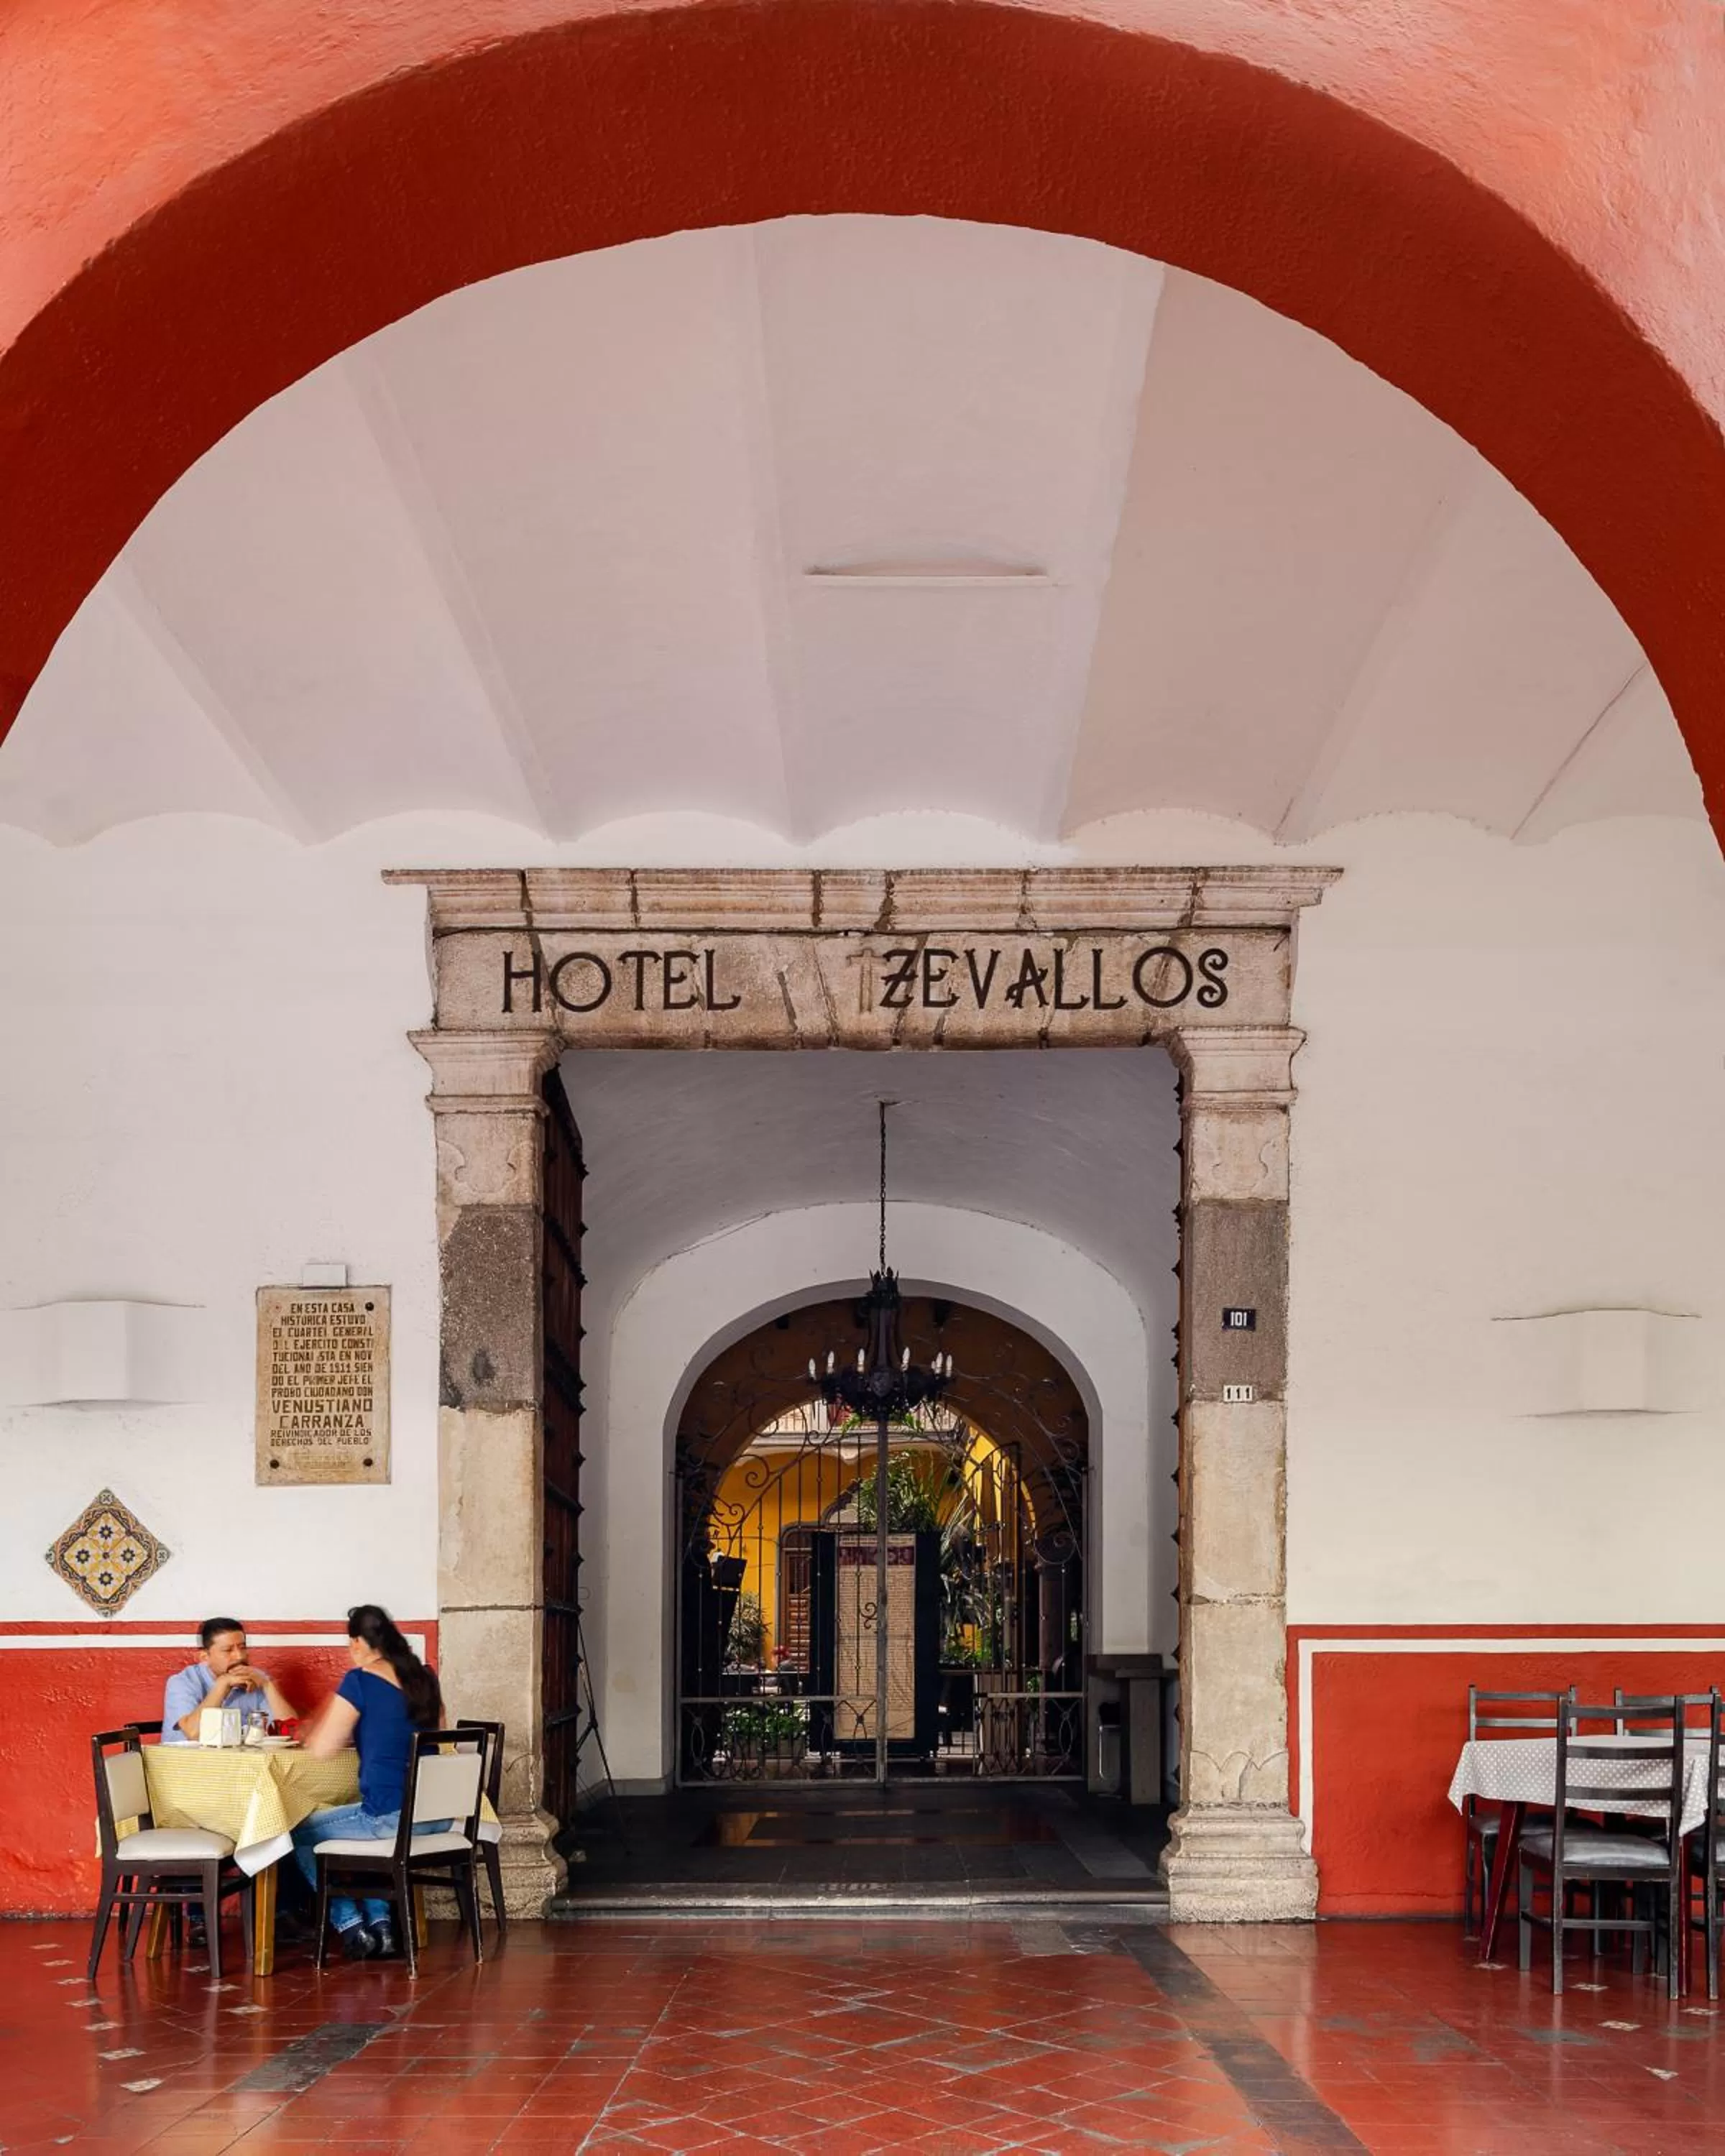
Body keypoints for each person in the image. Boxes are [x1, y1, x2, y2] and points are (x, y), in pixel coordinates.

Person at [290, 1605, 446, 1962]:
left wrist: (317, 1724)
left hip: (391, 1818)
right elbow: (438, 1732)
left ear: (358, 1642)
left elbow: (323, 1749)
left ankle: (350, 1926)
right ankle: (383, 1927)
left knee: (296, 1830)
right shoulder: (424, 1678)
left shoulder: (360, 1680)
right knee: (358, 1826)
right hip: (435, 1816)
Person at [162, 1618, 298, 1744]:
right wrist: (222, 1685)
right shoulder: (182, 1682)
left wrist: (268, 1686)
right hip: (188, 1764)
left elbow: (291, 1730)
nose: (239, 1656)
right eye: (228, 1650)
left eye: (243, 1647)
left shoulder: (256, 1678)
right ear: (204, 1657)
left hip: (240, 1764)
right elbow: (194, 1733)